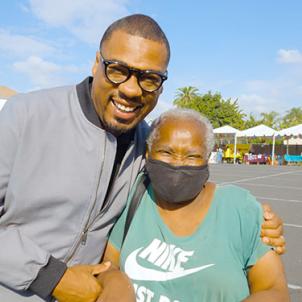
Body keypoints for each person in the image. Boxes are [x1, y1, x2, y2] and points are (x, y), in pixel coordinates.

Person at [0, 14, 284, 302]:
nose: (131, 89)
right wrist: (51, 276)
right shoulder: (26, 115)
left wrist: (255, 221)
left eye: (149, 78)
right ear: (96, 63)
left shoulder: (146, 143)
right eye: (118, 69)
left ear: (161, 85)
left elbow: (188, 183)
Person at [104, 108, 289, 302]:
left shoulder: (240, 209)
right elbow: (109, 261)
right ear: (149, 152)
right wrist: (114, 279)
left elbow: (274, 290)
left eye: (192, 156)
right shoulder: (135, 194)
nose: (178, 163)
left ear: (207, 157)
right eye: (166, 152)